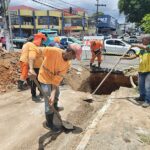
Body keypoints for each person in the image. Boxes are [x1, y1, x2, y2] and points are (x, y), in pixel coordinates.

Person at [30, 44, 82, 133]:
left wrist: (53, 94)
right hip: (44, 77)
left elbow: (57, 80)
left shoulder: (67, 64)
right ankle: (49, 123)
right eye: (74, 56)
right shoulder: (53, 51)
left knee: (56, 94)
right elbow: (33, 50)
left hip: (52, 79)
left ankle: (54, 107)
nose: (74, 59)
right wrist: (31, 68)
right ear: (70, 52)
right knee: (48, 99)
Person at [121, 36, 150, 107]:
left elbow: (145, 47)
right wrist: (124, 58)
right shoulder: (140, 51)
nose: (142, 41)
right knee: (141, 85)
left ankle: (147, 101)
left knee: (148, 87)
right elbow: (133, 56)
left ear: (148, 40)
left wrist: (134, 45)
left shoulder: (148, 47)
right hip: (141, 71)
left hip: (149, 71)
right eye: (142, 40)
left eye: (144, 39)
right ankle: (142, 97)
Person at [28, 32, 47, 101]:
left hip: (41, 67)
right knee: (33, 82)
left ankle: (41, 93)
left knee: (41, 81)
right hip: (34, 67)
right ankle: (33, 95)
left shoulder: (43, 46)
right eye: (42, 39)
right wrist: (31, 69)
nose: (43, 41)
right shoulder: (33, 47)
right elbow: (31, 58)